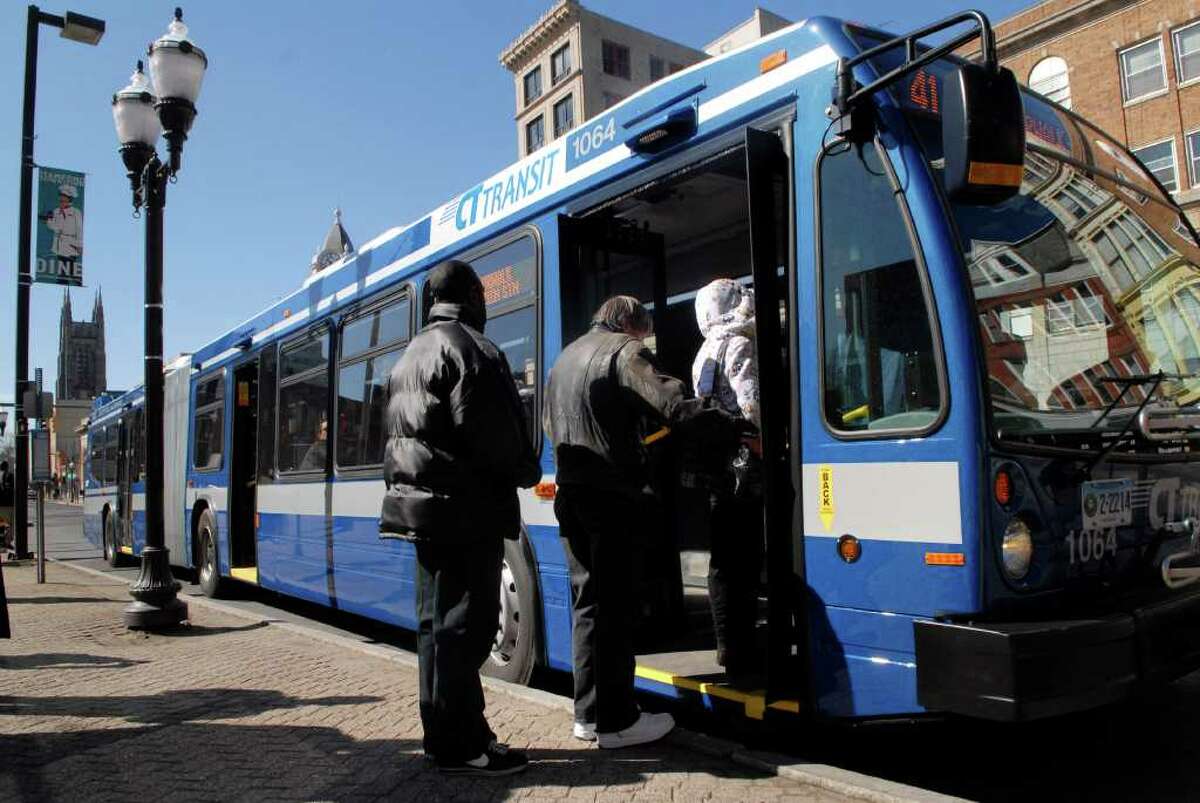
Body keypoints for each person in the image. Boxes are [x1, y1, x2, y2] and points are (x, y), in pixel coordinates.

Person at [544, 295, 740, 749]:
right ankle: (618, 722)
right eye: (644, 331)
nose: (644, 340)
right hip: (611, 498)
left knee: (589, 607)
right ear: (631, 325)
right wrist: (735, 427)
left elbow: (551, 428)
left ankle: (589, 717)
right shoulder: (623, 352)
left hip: (571, 494)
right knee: (615, 608)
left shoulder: (564, 359)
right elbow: (672, 403)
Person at [380, 259, 541, 776]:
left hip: (421, 508)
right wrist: (526, 467)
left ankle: (441, 736)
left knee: (434, 628)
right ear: (473, 295)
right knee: (467, 630)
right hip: (466, 509)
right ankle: (463, 743)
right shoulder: (472, 348)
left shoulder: (410, 353)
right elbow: (494, 436)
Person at [690, 279, 764, 681]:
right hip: (746, 466)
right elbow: (751, 404)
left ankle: (727, 644)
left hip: (718, 469)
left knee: (723, 560)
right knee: (746, 558)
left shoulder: (703, 351)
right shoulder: (738, 344)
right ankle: (744, 646)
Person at [45, 184, 83, 262]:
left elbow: (79, 230)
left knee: (70, 270)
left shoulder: (76, 212)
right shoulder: (56, 211)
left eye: (64, 197)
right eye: (61, 197)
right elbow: (52, 226)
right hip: (58, 246)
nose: (61, 199)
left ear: (69, 199)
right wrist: (48, 220)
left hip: (70, 247)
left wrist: (79, 246)